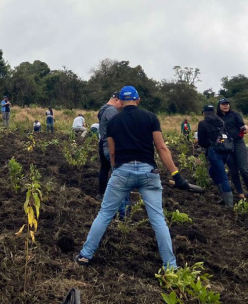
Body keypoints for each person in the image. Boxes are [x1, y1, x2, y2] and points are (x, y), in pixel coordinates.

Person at [76, 85, 189, 269]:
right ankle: (171, 266)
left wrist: (117, 173)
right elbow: (161, 148)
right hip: (148, 172)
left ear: (120, 102)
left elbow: (112, 154)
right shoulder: (150, 118)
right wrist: (176, 174)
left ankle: (85, 255)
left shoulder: (113, 122)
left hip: (122, 171)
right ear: (138, 100)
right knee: (158, 219)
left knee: (104, 214)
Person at [217, 98, 248, 200]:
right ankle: (240, 193)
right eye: (223, 104)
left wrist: (245, 128)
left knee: (243, 169)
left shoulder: (235, 115)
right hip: (226, 145)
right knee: (233, 171)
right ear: (219, 105)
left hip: (238, 143)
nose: (226, 106)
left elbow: (242, 126)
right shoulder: (217, 118)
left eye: (227, 104)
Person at [197, 105, 233, 208]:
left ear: (204, 112)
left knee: (223, 176)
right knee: (212, 172)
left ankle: (229, 204)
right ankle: (224, 197)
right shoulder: (221, 121)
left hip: (214, 151)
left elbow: (201, 141)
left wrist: (208, 146)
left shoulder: (203, 123)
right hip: (225, 150)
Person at [96, 92, 122, 199]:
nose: (122, 106)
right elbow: (117, 127)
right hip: (109, 144)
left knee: (105, 168)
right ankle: (115, 197)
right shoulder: (111, 110)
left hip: (103, 142)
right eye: (122, 102)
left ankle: (101, 193)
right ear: (116, 100)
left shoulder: (103, 109)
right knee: (117, 170)